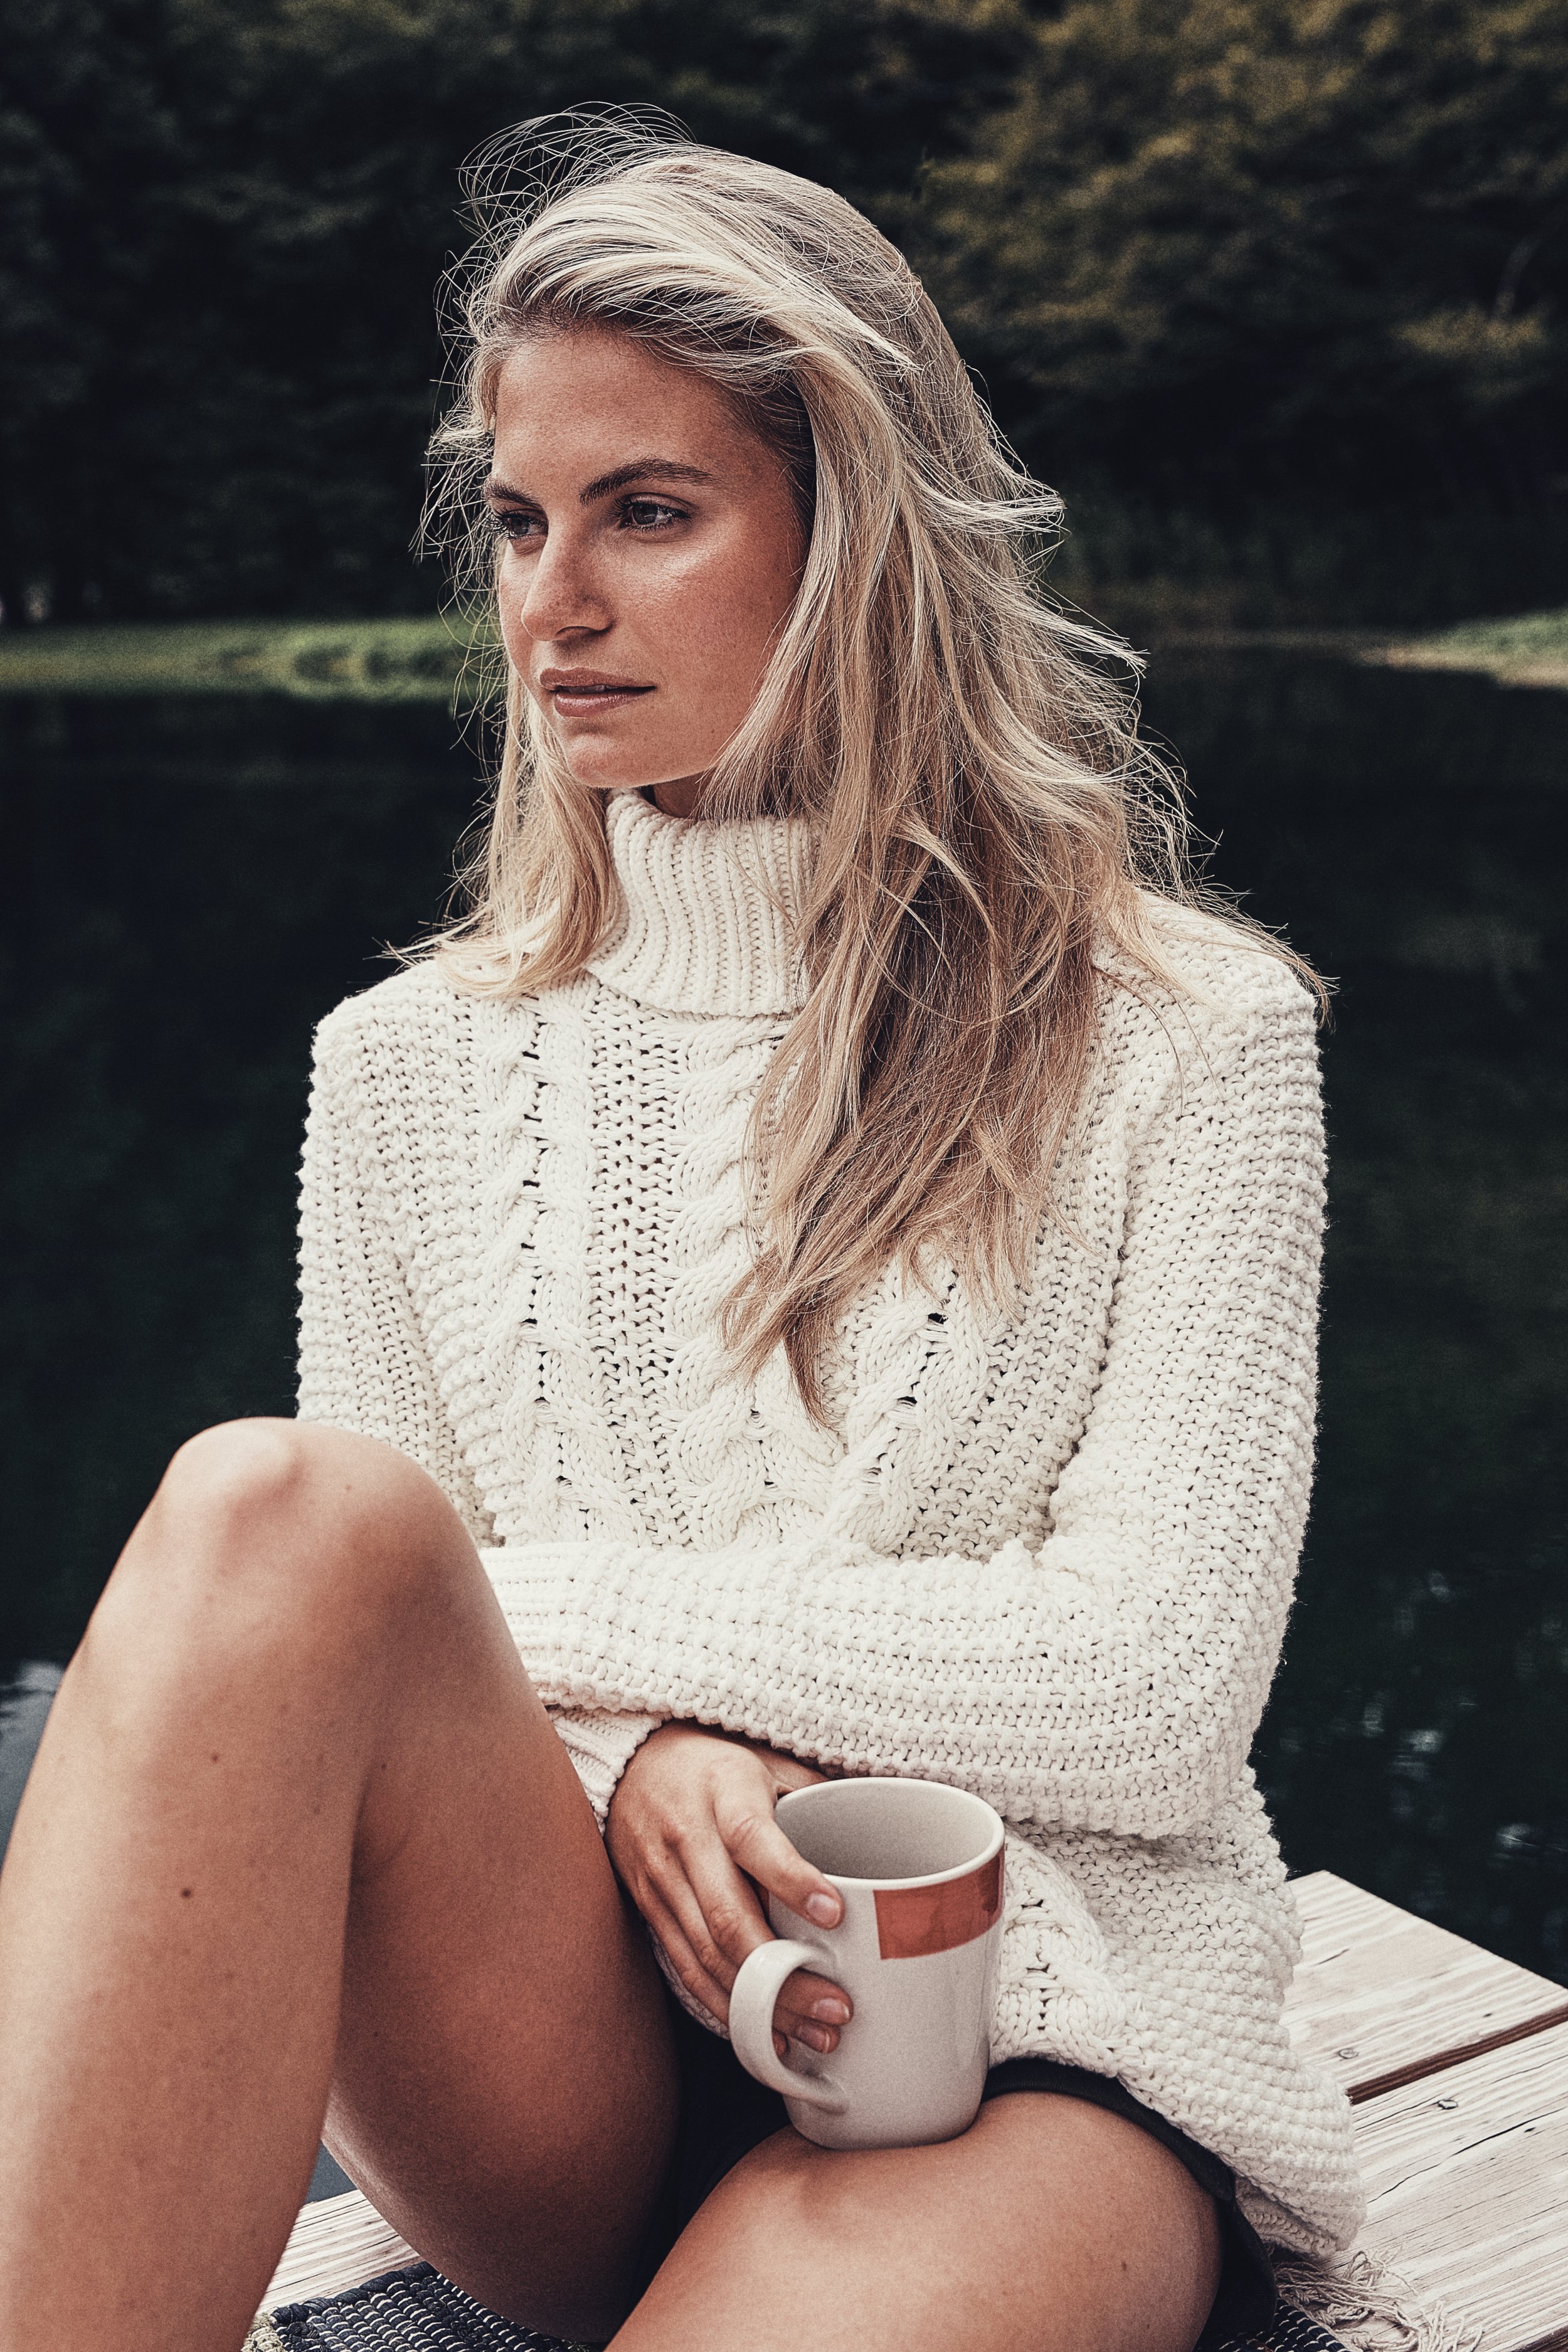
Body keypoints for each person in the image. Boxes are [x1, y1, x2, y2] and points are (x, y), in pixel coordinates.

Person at [0, 112, 1364, 2352]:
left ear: (858, 543)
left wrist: (593, 1650)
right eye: (523, 523)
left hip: (1037, 2051)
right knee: (275, 1515)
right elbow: (387, 1661)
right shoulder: (403, 1066)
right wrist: (630, 1766)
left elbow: (1148, 1694)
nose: (552, 602)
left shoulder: (1183, 1037)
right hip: (575, 2046)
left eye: (649, 513)